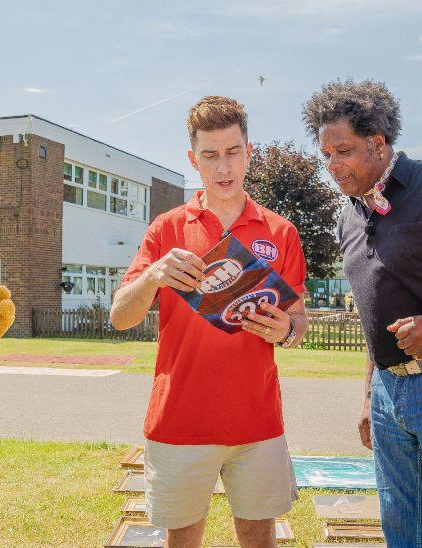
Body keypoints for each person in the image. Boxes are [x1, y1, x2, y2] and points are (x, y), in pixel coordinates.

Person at [110, 96, 308, 548]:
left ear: (249, 151)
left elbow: (297, 321)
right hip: (180, 421)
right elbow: (121, 317)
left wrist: (288, 331)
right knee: (182, 541)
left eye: (233, 152)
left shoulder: (280, 232)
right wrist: (155, 276)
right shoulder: (167, 228)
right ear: (192, 159)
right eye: (210, 155)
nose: (224, 167)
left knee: (260, 540)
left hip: (257, 423)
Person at [303, 79, 422, 547]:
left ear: (378, 143)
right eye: (326, 154)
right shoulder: (347, 214)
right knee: (400, 524)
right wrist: (369, 397)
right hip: (388, 391)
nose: (332, 165)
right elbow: (373, 312)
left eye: (342, 151)